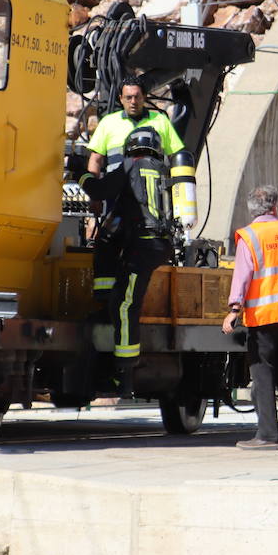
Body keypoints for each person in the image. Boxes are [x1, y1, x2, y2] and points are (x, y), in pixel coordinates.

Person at [77, 128, 174, 397]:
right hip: (158, 243)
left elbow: (100, 188)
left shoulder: (131, 165)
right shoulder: (163, 170)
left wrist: (80, 173)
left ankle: (125, 377)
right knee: (118, 287)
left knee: (125, 304)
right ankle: (105, 298)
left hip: (144, 245)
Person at [222, 185, 278, 450]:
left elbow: (243, 276)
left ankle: (267, 436)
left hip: (264, 315)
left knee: (262, 374)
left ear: (252, 210)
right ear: (275, 207)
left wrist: (234, 310)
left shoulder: (249, 236)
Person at [86, 75, 184, 175]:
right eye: (128, 98)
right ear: (121, 99)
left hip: (153, 187)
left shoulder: (161, 120)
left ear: (144, 97)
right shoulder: (108, 122)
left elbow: (176, 157)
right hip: (117, 186)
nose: (133, 102)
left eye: (137, 97)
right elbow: (95, 160)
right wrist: (93, 187)